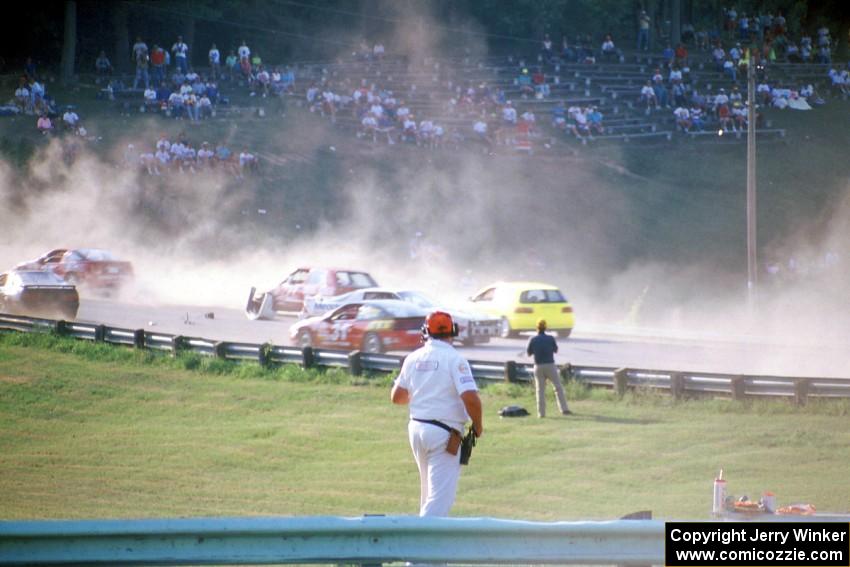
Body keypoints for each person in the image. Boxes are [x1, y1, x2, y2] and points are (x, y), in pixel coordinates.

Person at [391, 311, 483, 517]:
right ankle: (421, 544)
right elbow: (470, 397)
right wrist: (478, 426)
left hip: (416, 428)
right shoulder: (455, 359)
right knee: (440, 498)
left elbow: (397, 397)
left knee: (428, 492)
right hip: (444, 432)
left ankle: (421, 533)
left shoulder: (413, 358)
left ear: (425, 332)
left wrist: (423, 391)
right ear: (453, 332)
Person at [526, 319, 571, 418]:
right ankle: (564, 409)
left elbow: (529, 353)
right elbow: (556, 350)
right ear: (545, 327)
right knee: (558, 387)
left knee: (540, 390)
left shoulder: (532, 339)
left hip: (538, 366)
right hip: (550, 365)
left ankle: (541, 413)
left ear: (537, 328)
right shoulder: (550, 338)